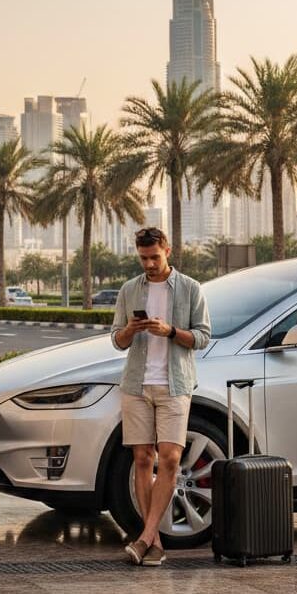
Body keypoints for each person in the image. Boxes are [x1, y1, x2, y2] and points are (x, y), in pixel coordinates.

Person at [111, 227, 211, 567]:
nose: (149, 264)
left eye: (154, 257)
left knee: (169, 458)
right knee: (142, 459)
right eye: (143, 258)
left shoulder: (190, 288)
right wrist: (130, 330)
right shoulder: (129, 289)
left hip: (175, 385)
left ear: (167, 251)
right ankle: (152, 542)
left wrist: (170, 331)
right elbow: (117, 340)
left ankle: (144, 538)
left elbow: (202, 338)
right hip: (136, 385)